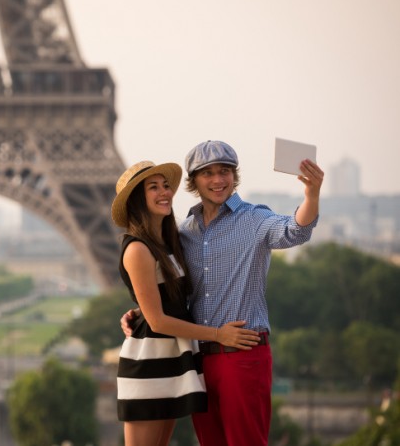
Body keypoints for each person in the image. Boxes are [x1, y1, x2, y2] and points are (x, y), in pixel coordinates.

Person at [120, 141, 324, 446]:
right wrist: (142, 314)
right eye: (208, 173)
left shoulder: (255, 220)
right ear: (193, 182)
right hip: (198, 359)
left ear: (234, 176)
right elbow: (169, 291)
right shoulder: (184, 232)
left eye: (225, 171)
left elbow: (295, 230)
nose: (218, 180)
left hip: (241, 353)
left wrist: (312, 194)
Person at [111, 160, 261, 446]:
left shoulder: (168, 244)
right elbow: (158, 321)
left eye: (165, 185)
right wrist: (219, 334)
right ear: (136, 200)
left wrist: (139, 310)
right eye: (153, 188)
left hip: (173, 359)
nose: (164, 192)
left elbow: (168, 302)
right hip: (150, 363)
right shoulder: (138, 249)